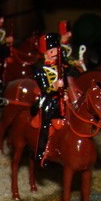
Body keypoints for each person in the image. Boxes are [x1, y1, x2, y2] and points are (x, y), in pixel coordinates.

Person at [33, 32, 65, 165]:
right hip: (48, 99)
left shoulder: (60, 67)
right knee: (45, 124)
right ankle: (41, 153)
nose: (55, 54)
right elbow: (45, 89)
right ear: (45, 52)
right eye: (52, 51)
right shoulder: (40, 69)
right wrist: (55, 86)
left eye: (57, 51)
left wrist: (66, 91)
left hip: (61, 98)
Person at [0, 10, 14, 85]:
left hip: (3, 47)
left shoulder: (2, 29)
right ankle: (0, 76)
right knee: (2, 59)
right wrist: (7, 40)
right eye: (1, 19)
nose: (2, 21)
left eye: (2, 19)